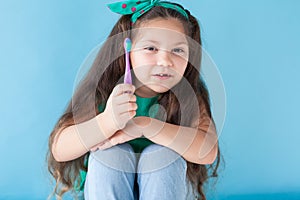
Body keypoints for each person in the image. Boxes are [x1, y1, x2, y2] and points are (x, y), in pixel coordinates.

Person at [47, 0, 221, 199]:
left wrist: (144, 125)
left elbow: (207, 151)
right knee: (110, 155)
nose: (165, 61)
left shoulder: (189, 98)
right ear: (127, 50)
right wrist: (107, 121)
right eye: (151, 48)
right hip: (109, 187)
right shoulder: (104, 92)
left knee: (163, 156)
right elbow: (60, 149)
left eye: (178, 50)